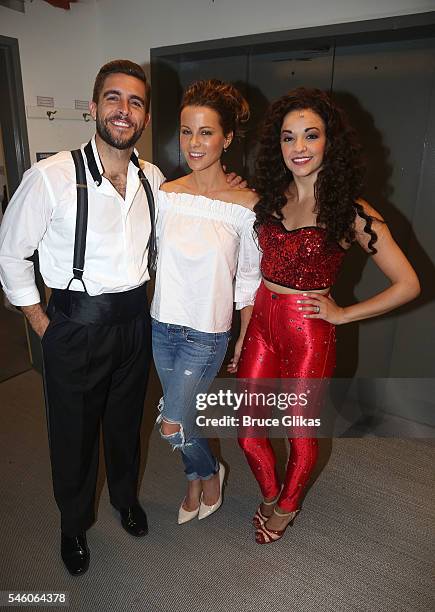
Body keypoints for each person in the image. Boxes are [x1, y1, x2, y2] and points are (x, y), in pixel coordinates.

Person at [0, 60, 243, 575]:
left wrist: (231, 186)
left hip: (138, 321)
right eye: (113, 98)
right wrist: (42, 323)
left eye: (134, 102)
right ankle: (72, 525)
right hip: (75, 322)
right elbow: (9, 255)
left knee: (127, 424)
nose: (123, 110)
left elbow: (207, 210)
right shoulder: (51, 177)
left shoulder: (154, 179)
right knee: (73, 434)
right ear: (94, 107)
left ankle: (126, 500)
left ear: (145, 116)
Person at [235, 88, 420, 544]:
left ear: (329, 142)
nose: (298, 147)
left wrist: (343, 313)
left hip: (308, 331)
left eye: (310, 136)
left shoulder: (352, 212)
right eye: (287, 138)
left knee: (300, 435)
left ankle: (287, 507)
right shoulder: (268, 199)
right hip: (261, 320)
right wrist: (242, 334)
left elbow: (409, 284)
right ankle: (270, 491)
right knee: (246, 432)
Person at [151, 79, 261, 524]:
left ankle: (210, 471)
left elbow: (250, 280)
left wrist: (244, 338)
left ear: (227, 138)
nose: (193, 143)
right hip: (161, 326)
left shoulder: (247, 204)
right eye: (185, 131)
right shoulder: (166, 195)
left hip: (207, 332)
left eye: (206, 132)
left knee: (171, 423)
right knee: (188, 416)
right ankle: (198, 478)